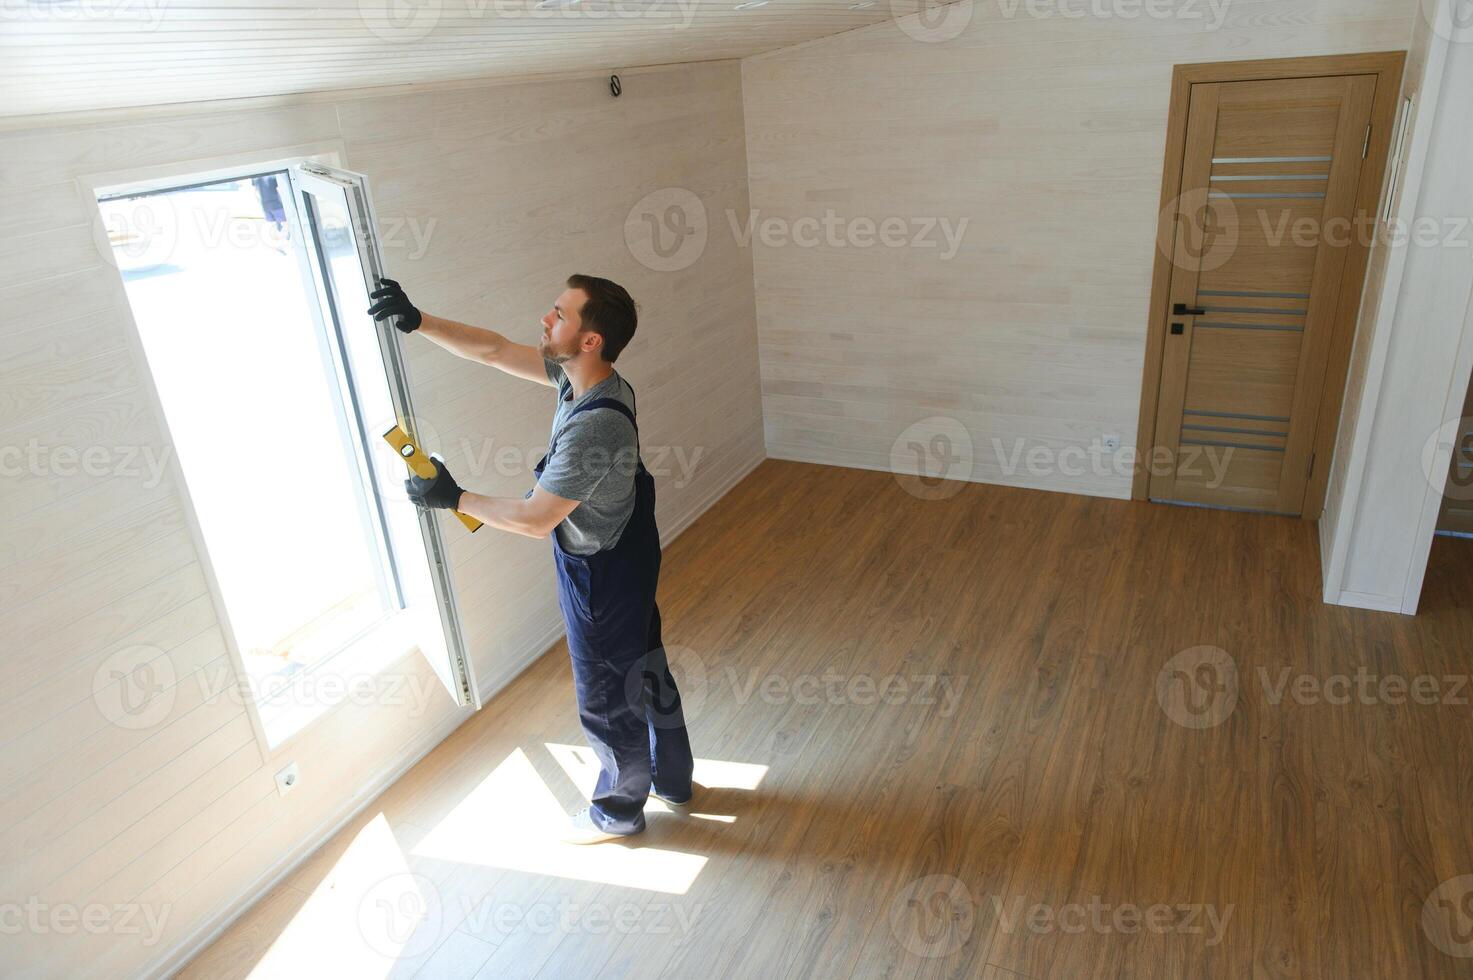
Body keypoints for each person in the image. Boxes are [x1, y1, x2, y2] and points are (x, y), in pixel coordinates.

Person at [367, 275, 695, 844]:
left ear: (590, 340)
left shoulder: (595, 426)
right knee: (646, 664)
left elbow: (535, 518)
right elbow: (494, 350)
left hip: (603, 574)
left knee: (606, 697)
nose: (546, 320)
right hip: (631, 547)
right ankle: (673, 776)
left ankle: (618, 812)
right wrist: (419, 320)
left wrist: (456, 498)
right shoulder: (590, 382)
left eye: (560, 315)